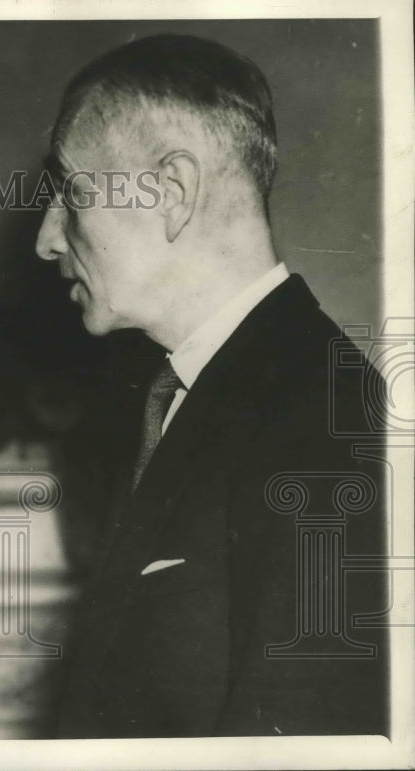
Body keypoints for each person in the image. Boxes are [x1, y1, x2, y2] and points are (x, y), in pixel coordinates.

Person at [35, 34, 388, 737]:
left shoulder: (322, 412)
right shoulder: (197, 392)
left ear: (172, 191)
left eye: (70, 196)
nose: (45, 239)